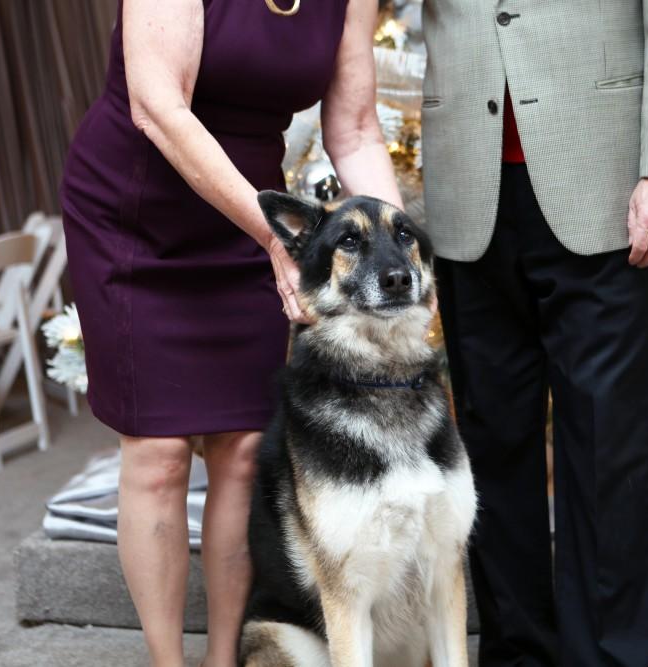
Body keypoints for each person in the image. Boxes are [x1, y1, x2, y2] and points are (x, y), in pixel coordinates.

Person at [60, 0, 402, 665]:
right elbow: (158, 107)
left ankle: (223, 657)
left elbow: (356, 129)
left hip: (249, 220)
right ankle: (167, 660)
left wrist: (397, 252)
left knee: (244, 451)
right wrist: (273, 236)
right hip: (135, 218)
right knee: (157, 453)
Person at [421, 3, 648, 666]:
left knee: (610, 448)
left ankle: (606, 656)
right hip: (466, 180)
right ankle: (516, 651)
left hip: (607, 178)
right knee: (490, 447)